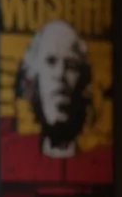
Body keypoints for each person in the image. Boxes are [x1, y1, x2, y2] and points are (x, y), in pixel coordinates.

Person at [15, 19, 93, 159]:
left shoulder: (97, 159)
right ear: (34, 75)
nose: (60, 74)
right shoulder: (16, 156)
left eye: (71, 65)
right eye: (51, 61)